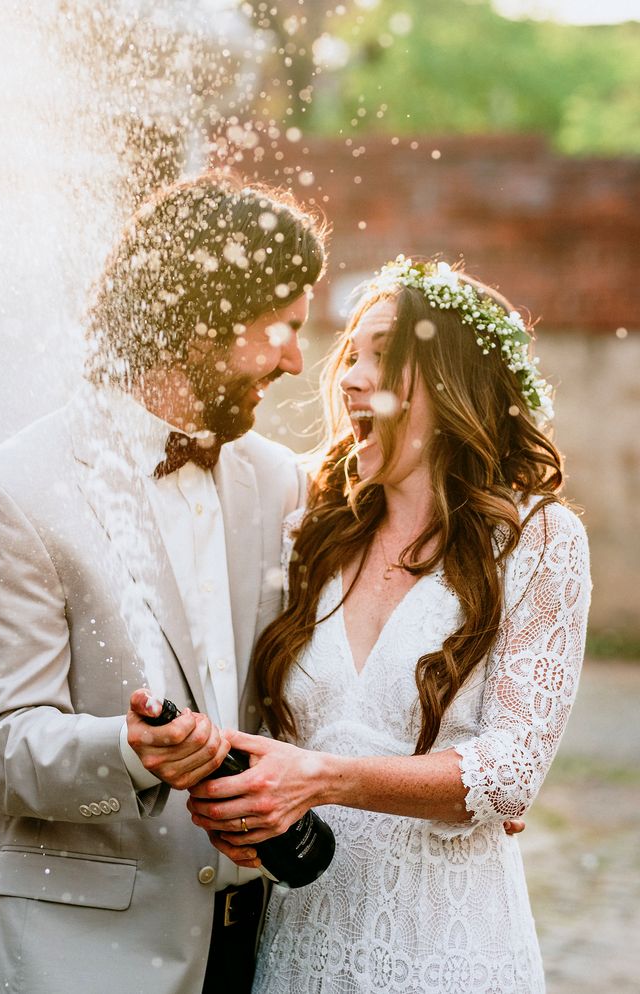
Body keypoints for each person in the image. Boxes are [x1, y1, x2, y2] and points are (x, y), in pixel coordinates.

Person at [0, 173, 327, 994]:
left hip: (270, 943)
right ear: (203, 321)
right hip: (94, 955)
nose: (297, 359)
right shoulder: (7, 494)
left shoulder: (280, 481)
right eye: (283, 328)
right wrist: (130, 750)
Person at [187, 256, 591, 994]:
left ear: (451, 381)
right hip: (302, 945)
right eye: (353, 354)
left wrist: (324, 778)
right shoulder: (307, 525)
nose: (347, 376)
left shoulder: (538, 539)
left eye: (383, 355)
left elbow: (509, 775)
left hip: (452, 947)